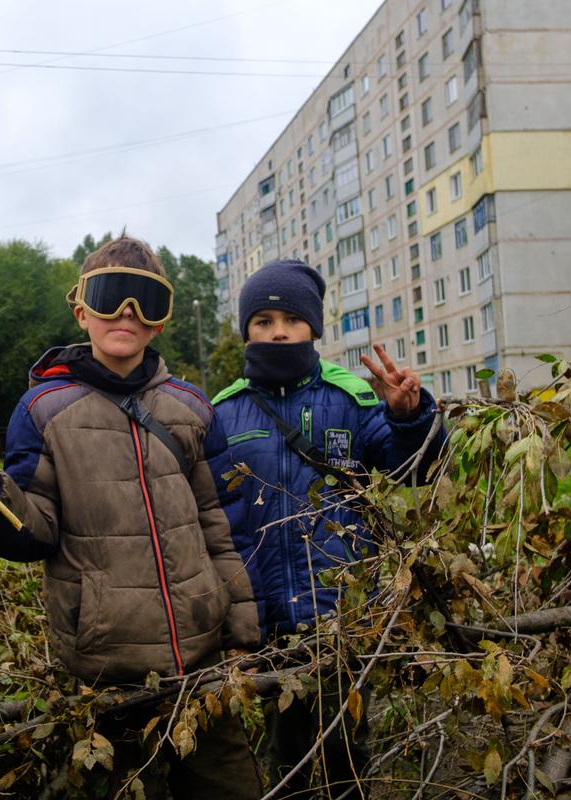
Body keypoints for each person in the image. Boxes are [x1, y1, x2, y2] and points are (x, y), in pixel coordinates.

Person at [0, 236, 261, 798]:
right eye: (111, 296)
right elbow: (35, 531)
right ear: (82, 309)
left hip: (201, 661)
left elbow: (223, 526)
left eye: (145, 301)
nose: (127, 315)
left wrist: (243, 635)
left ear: (160, 321)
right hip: (106, 669)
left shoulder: (191, 409)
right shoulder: (43, 411)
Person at [211, 259, 445, 799]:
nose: (278, 331)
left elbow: (414, 470)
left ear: (313, 327)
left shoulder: (352, 398)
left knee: (344, 754)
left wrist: (410, 417)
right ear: (246, 329)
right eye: (263, 320)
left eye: (291, 318)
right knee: (283, 757)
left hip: (338, 613)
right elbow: (214, 516)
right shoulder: (223, 412)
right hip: (263, 620)